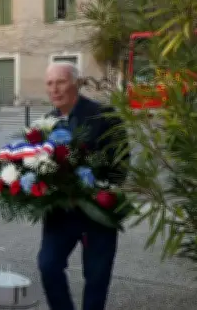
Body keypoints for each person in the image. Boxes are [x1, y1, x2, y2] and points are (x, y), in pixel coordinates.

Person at [38, 62, 129, 310]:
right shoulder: (46, 123)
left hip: (97, 213)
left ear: (75, 83)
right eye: (49, 83)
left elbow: (120, 166)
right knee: (48, 265)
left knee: (96, 278)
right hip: (60, 214)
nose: (54, 89)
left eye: (61, 82)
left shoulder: (105, 117)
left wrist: (91, 185)